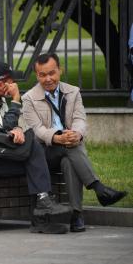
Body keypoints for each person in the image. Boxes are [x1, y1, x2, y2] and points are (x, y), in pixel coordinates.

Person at [0, 62, 71, 234]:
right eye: (11, 81)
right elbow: (5, 125)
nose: (15, 84)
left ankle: (41, 214)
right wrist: (16, 99)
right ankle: (43, 204)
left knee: (32, 158)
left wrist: (16, 129)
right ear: (1, 84)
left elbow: (10, 128)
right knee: (33, 148)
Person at [22, 53, 128, 232]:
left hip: (68, 147)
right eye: (42, 75)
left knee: (69, 160)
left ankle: (76, 215)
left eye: (52, 73)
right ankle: (98, 188)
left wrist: (77, 134)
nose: (48, 79)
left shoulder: (73, 92)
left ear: (60, 71)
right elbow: (36, 130)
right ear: (37, 75)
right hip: (44, 153)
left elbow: (80, 119)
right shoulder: (29, 98)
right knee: (70, 148)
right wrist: (56, 137)